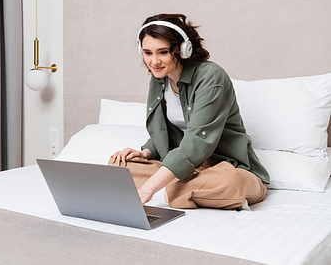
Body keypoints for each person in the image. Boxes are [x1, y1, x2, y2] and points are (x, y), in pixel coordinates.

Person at [109, 13, 270, 210]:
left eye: (163, 52)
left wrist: (148, 188)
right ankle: (179, 189)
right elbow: (165, 129)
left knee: (230, 181)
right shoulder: (160, 77)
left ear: (183, 49)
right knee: (119, 166)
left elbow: (197, 141)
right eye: (148, 53)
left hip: (226, 167)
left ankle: (168, 188)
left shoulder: (210, 76)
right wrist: (144, 153)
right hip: (189, 169)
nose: (154, 62)